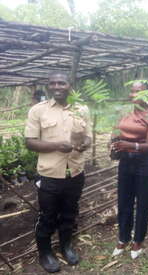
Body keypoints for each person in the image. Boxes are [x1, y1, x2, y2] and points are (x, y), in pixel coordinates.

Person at [25, 72, 92, 273]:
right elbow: (30, 142)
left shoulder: (82, 109)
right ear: (48, 86)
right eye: (53, 83)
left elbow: (88, 136)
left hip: (75, 172)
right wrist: (55, 146)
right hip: (50, 174)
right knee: (47, 216)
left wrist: (83, 145)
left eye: (61, 83)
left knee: (70, 213)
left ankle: (66, 246)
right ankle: (45, 252)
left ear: (69, 85)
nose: (57, 87)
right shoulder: (38, 110)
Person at [111, 81, 148, 259]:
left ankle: (138, 240)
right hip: (125, 161)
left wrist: (130, 144)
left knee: (143, 203)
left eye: (138, 91)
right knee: (124, 201)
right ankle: (123, 238)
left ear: (147, 94)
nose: (134, 95)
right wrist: (114, 143)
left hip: (145, 163)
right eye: (132, 91)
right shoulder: (124, 112)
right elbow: (116, 131)